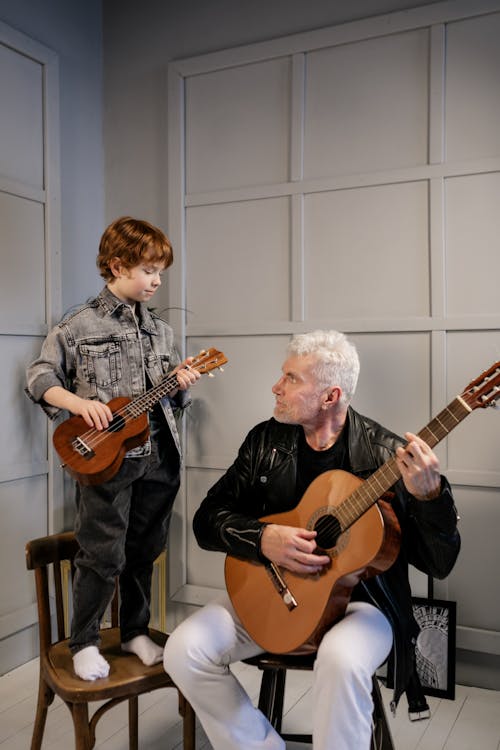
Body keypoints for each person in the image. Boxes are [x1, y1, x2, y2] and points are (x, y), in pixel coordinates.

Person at [163, 330, 460, 750]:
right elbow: (207, 521)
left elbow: (439, 563)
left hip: (365, 605)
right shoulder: (266, 441)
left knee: (339, 660)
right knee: (184, 649)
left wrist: (431, 498)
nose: (276, 387)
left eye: (291, 379)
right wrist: (262, 538)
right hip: (278, 591)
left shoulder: (387, 456)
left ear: (329, 396)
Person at [25, 216, 200, 681]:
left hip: (160, 456)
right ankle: (83, 640)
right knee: (102, 553)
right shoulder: (79, 325)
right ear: (117, 265)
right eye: (148, 270)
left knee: (145, 550)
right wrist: (80, 404)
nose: (157, 280)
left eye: (160, 271)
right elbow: (40, 378)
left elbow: (173, 401)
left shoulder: (161, 332)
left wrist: (181, 385)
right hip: (108, 461)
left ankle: (133, 631)